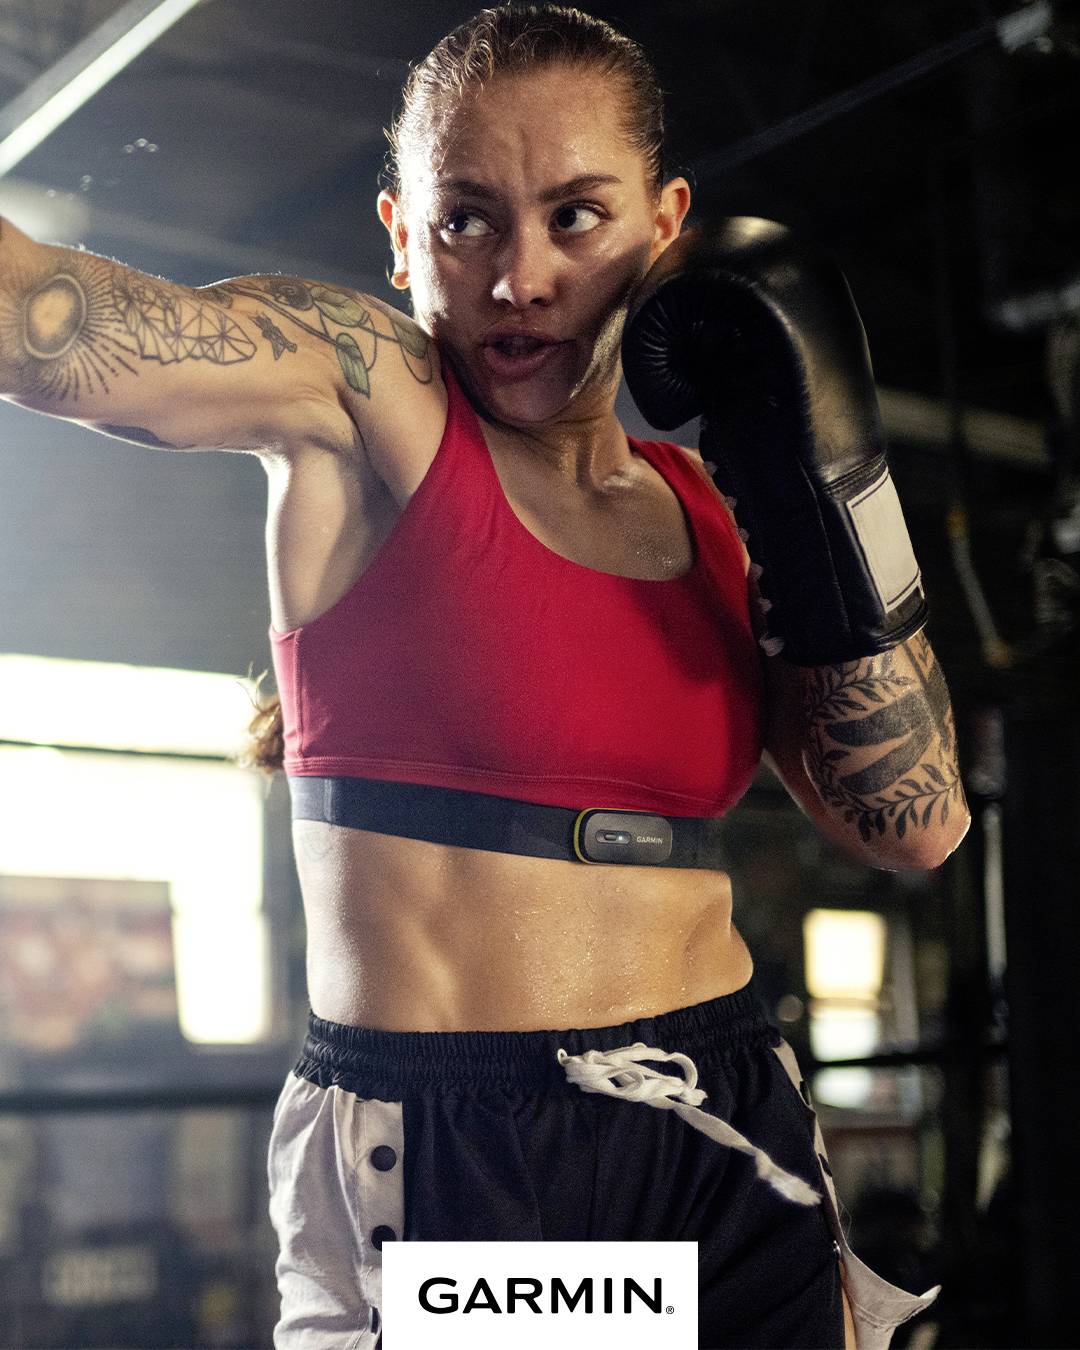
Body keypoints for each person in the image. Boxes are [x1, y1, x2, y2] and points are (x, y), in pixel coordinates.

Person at [0, 5, 969, 1346]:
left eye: (577, 216)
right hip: (477, 1144)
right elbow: (36, 325)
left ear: (665, 226)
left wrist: (831, 476)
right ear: (401, 234)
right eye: (466, 220)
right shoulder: (365, 402)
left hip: (725, 1112)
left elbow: (914, 822)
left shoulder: (719, 507)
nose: (520, 277)